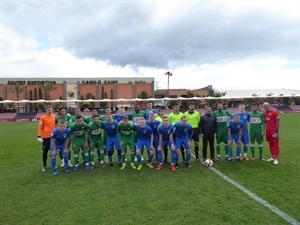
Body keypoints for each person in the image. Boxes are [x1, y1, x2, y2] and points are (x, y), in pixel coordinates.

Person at [37, 105, 57, 172]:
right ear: (46, 110)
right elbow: (40, 127)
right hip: (46, 137)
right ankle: (44, 165)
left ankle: (53, 164)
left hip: (54, 137)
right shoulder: (42, 118)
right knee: (45, 152)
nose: (50, 111)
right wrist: (39, 136)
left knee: (53, 151)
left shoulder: (54, 116)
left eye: (51, 110)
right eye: (48, 110)